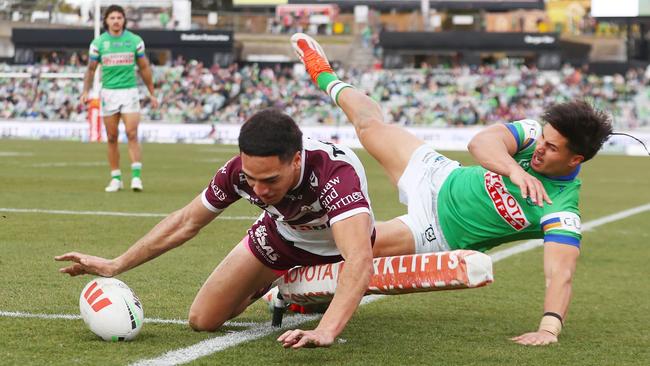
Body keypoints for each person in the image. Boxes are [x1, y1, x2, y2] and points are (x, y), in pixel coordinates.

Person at [290, 33, 613, 346]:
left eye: (552, 147)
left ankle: (306, 293)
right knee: (370, 126)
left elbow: (560, 273)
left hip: (435, 232)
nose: (540, 148)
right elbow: (481, 143)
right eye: (543, 138)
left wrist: (549, 329)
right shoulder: (531, 134)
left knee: (351, 245)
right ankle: (323, 72)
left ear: (576, 159)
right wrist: (514, 169)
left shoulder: (561, 208)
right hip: (438, 174)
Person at [56, 108, 376, 349]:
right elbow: (185, 223)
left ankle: (310, 281)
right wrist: (116, 264)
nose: (259, 189)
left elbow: (358, 258)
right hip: (282, 235)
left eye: (270, 180)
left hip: (335, 246)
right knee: (203, 320)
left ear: (295, 160)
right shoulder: (236, 173)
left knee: (342, 279)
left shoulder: (335, 172)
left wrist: (327, 330)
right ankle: (276, 281)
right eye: (252, 178)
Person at [81, 4, 159, 192]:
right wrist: (86, 91)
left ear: (124, 20)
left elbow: (144, 67)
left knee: (132, 133)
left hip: (129, 92)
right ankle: (116, 178)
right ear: (106, 20)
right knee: (112, 137)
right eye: (112, 18)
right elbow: (91, 70)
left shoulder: (134, 40)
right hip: (108, 93)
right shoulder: (99, 43)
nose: (116, 21)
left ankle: (136, 178)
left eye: (119, 17)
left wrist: (152, 92)